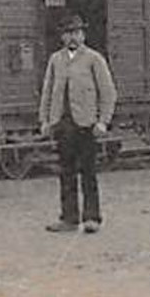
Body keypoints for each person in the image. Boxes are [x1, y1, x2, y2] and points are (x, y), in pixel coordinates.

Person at [37, 12, 117, 234]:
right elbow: (47, 92)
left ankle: (92, 218)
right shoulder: (56, 60)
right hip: (63, 124)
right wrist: (45, 120)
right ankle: (69, 219)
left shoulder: (94, 59)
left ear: (83, 35)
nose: (72, 37)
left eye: (77, 32)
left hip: (86, 124)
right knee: (66, 172)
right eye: (68, 33)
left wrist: (103, 122)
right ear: (62, 37)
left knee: (88, 172)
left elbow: (108, 93)